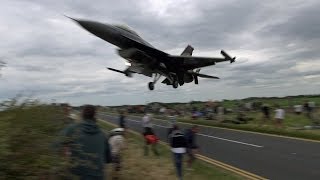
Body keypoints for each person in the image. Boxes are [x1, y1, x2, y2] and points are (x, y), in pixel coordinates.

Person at [61, 105, 112, 180]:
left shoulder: (72, 129)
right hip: (98, 176)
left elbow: (60, 146)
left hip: (77, 175)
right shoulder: (102, 134)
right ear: (95, 116)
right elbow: (108, 159)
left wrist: (68, 153)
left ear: (82, 115)